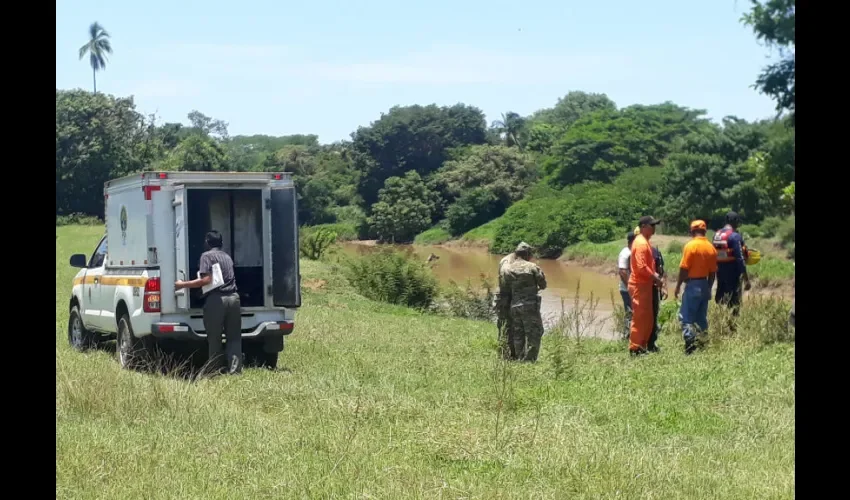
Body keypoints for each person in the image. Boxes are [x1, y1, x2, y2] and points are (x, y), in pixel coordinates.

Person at [175, 230, 243, 375]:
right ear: (221, 243)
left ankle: (214, 369)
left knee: (214, 337)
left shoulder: (206, 256)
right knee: (234, 337)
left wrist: (182, 285)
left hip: (217, 300)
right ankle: (235, 370)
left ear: (207, 242)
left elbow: (206, 280)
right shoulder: (227, 256)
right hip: (234, 297)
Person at [674, 220, 718, 354]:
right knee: (701, 317)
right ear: (705, 231)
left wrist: (678, 286)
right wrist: (709, 288)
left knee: (686, 316)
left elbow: (684, 269)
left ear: (692, 231)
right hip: (705, 284)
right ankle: (703, 342)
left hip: (693, 284)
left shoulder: (690, 246)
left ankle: (689, 345)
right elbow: (712, 273)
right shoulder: (711, 248)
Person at [499, 242, 547, 362]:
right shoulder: (532, 267)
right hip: (530, 305)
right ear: (527, 254)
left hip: (514, 305)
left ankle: (519, 357)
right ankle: (529, 360)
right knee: (535, 332)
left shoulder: (508, 268)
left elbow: (505, 286)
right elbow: (543, 284)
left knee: (518, 333)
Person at [628, 216, 663, 355]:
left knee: (647, 317)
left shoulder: (645, 242)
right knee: (640, 317)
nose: (654, 228)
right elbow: (642, 267)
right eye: (651, 225)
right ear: (643, 226)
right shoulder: (641, 243)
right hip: (639, 285)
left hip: (645, 285)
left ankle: (642, 346)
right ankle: (635, 348)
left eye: (655, 225)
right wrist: (656, 277)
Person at [713, 211, 751, 316]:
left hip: (719, 273)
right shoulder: (734, 236)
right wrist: (746, 279)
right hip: (733, 274)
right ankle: (733, 327)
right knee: (734, 303)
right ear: (735, 222)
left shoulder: (716, 235)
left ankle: (720, 323)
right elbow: (740, 258)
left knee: (721, 301)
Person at [617, 233, 636, 340]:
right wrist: (630, 287)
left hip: (633, 289)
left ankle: (632, 334)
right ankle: (627, 335)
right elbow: (622, 272)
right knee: (630, 312)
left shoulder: (633, 252)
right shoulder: (625, 253)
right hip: (627, 290)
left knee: (634, 312)